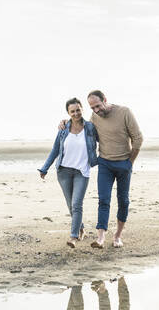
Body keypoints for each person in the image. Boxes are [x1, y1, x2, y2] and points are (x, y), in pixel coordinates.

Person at [60, 90, 143, 249]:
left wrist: (130, 162)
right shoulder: (94, 118)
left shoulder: (124, 112)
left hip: (124, 164)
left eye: (98, 106)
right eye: (92, 108)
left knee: (123, 201)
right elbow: (80, 128)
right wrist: (65, 122)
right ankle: (100, 238)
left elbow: (138, 138)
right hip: (105, 163)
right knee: (103, 200)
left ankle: (117, 236)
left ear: (105, 100)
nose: (96, 111)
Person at [39, 98, 98, 248]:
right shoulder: (63, 129)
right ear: (68, 113)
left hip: (82, 172)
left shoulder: (90, 127)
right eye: (72, 111)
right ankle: (81, 229)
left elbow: (104, 140)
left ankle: (73, 237)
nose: (76, 113)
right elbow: (55, 150)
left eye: (78, 110)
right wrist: (45, 168)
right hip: (64, 172)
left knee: (77, 204)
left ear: (82, 109)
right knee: (71, 205)